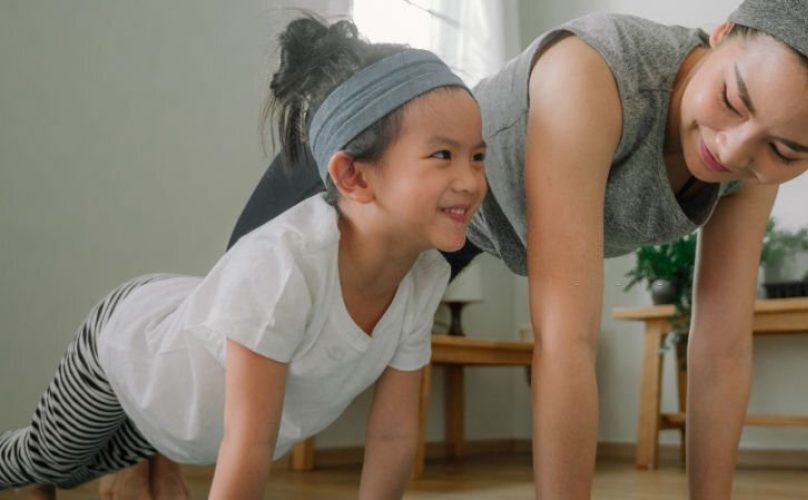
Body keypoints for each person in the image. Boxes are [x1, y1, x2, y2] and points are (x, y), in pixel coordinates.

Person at [127, 0, 808, 498]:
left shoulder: (755, 152)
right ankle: (130, 449)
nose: (734, 148)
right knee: (212, 356)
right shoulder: (597, 73)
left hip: (458, 234)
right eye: (733, 99)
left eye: (788, 151)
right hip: (368, 187)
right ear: (722, 33)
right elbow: (566, 340)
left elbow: (720, 346)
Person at [0, 16, 486, 500]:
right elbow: (248, 444)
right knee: (52, 459)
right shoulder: (285, 267)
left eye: (478, 157)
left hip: (182, 409)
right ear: (354, 177)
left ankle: (126, 464)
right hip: (124, 348)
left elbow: (393, 435)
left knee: (122, 450)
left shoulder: (424, 277)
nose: (470, 180)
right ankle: (32, 477)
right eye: (443, 155)